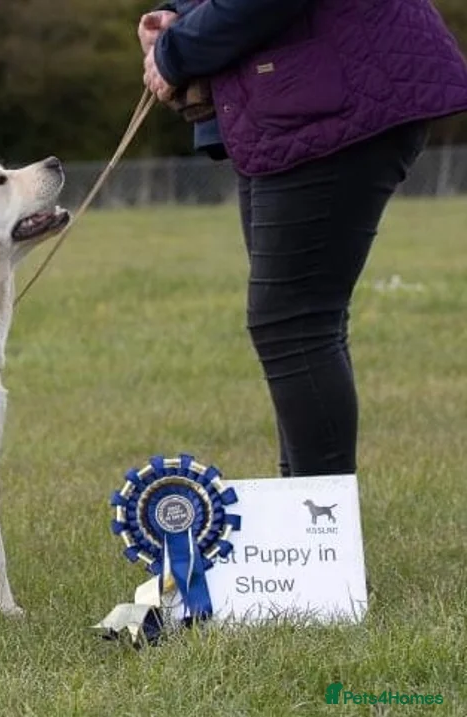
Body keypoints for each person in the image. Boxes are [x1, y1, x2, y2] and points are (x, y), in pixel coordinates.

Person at [137, 0, 467, 478]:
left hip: (340, 93)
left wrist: (175, 51)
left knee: (291, 323)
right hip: (296, 96)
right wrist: (179, 15)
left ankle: (320, 537)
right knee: (299, 325)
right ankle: (307, 525)